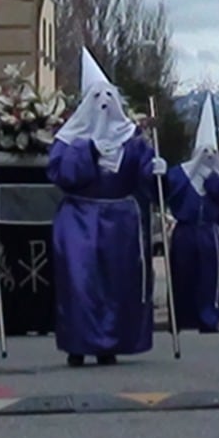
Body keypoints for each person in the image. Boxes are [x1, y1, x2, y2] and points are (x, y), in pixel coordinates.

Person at [47, 50, 164, 365]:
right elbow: (62, 174)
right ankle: (78, 342)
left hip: (119, 221)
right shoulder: (70, 140)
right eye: (96, 97)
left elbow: (145, 181)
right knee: (80, 282)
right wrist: (90, 151)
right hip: (79, 219)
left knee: (117, 283)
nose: (103, 104)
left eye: (108, 96)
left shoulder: (133, 141)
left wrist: (155, 170)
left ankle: (110, 343)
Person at [164, 91, 219, 334]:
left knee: (209, 278)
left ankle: (208, 317)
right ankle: (182, 318)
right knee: (182, 276)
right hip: (185, 231)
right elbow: (171, 194)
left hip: (208, 231)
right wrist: (191, 170)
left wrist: (215, 176)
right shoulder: (181, 175)